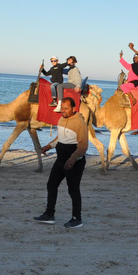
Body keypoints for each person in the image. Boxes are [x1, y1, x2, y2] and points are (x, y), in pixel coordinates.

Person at [33, 97, 88, 229]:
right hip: (61, 160)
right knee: (51, 185)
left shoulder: (79, 122)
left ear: (73, 109)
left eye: (66, 108)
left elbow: (83, 145)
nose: (63, 110)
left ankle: (77, 219)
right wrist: (48, 146)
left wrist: (73, 159)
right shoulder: (61, 120)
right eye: (62, 108)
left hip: (74, 162)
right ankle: (49, 214)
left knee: (73, 190)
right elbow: (60, 138)